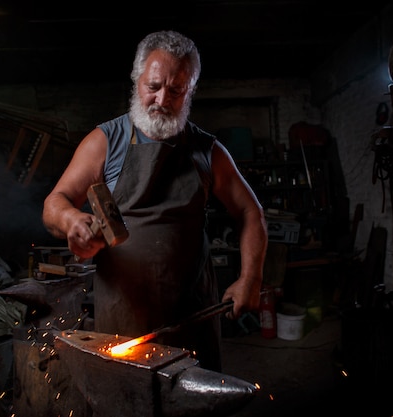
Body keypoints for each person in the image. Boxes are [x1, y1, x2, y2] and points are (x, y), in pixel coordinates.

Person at [42, 30, 268, 372]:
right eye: (154, 86)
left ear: (190, 92)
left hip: (193, 314)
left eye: (176, 90)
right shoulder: (105, 142)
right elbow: (54, 203)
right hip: (122, 315)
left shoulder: (208, 151)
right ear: (136, 81)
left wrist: (250, 278)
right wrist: (72, 220)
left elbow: (251, 212)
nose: (163, 100)